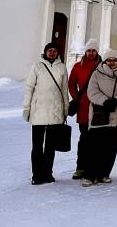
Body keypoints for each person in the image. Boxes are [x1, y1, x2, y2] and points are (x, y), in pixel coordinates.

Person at [22, 43, 70, 185]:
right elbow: (29, 88)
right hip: (39, 111)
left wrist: (65, 108)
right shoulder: (37, 66)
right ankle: (36, 175)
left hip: (55, 112)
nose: (52, 53)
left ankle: (48, 173)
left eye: (54, 51)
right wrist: (27, 107)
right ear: (45, 52)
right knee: (37, 146)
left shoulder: (62, 67)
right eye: (49, 50)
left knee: (50, 147)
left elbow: (64, 90)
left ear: (57, 53)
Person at [83, 49, 117, 187]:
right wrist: (105, 101)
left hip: (116, 115)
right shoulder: (96, 74)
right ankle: (90, 175)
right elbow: (91, 92)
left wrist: (116, 100)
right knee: (95, 147)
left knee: (110, 148)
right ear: (105, 61)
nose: (112, 63)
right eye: (109, 60)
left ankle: (104, 173)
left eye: (114, 60)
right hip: (100, 114)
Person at [68, 39, 100, 180]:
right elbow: (71, 83)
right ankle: (81, 167)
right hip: (83, 107)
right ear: (85, 52)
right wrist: (77, 98)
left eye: (93, 50)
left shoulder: (102, 66)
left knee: (96, 139)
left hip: (98, 107)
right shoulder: (78, 66)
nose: (91, 53)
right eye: (89, 50)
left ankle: (94, 168)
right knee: (84, 138)